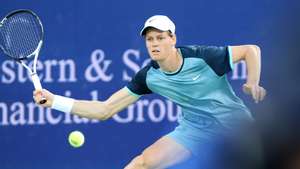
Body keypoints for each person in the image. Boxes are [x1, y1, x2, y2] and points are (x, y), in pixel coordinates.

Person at [33, 15, 266, 169]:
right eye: (150, 39)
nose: (154, 44)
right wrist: (55, 102)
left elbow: (251, 50)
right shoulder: (149, 76)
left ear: (172, 39)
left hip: (235, 128)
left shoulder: (202, 57)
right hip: (194, 130)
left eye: (160, 38)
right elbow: (105, 109)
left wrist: (252, 82)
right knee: (140, 164)